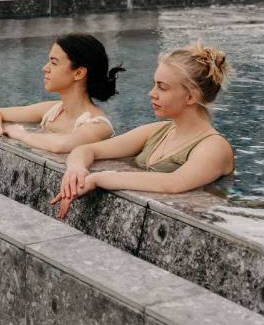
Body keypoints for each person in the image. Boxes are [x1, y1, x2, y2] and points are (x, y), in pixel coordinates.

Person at [53, 41, 234, 218]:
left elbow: (174, 183)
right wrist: (76, 168)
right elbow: (88, 149)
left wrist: (98, 179)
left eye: (162, 87)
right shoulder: (157, 131)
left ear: (190, 97)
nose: (151, 93)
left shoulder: (214, 147)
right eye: (154, 84)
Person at [0, 33, 123, 154]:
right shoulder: (53, 110)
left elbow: (61, 145)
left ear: (78, 73)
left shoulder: (99, 125)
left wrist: (20, 133)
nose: (45, 68)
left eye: (54, 63)